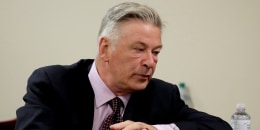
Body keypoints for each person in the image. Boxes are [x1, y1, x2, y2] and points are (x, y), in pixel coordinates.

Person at [15, 2, 232, 130]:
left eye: (156, 52)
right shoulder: (53, 83)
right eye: (139, 49)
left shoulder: (162, 94)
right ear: (105, 49)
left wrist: (155, 129)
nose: (150, 62)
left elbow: (220, 127)